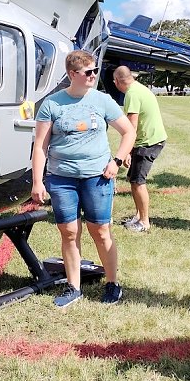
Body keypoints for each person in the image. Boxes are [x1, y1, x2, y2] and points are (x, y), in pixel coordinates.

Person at [31, 50, 135, 308]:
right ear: (71, 75)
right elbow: (40, 146)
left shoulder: (103, 101)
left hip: (97, 177)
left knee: (100, 231)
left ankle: (112, 284)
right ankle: (73, 286)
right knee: (69, 232)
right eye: (88, 72)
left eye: (95, 71)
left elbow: (128, 132)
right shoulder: (52, 104)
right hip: (62, 178)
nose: (93, 76)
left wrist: (118, 160)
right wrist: (37, 181)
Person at [111, 66, 167, 233]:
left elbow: (131, 126)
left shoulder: (132, 94)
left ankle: (144, 222)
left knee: (137, 182)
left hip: (148, 143)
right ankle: (138, 216)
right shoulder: (139, 88)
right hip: (148, 140)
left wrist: (127, 151)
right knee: (133, 179)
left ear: (117, 81)